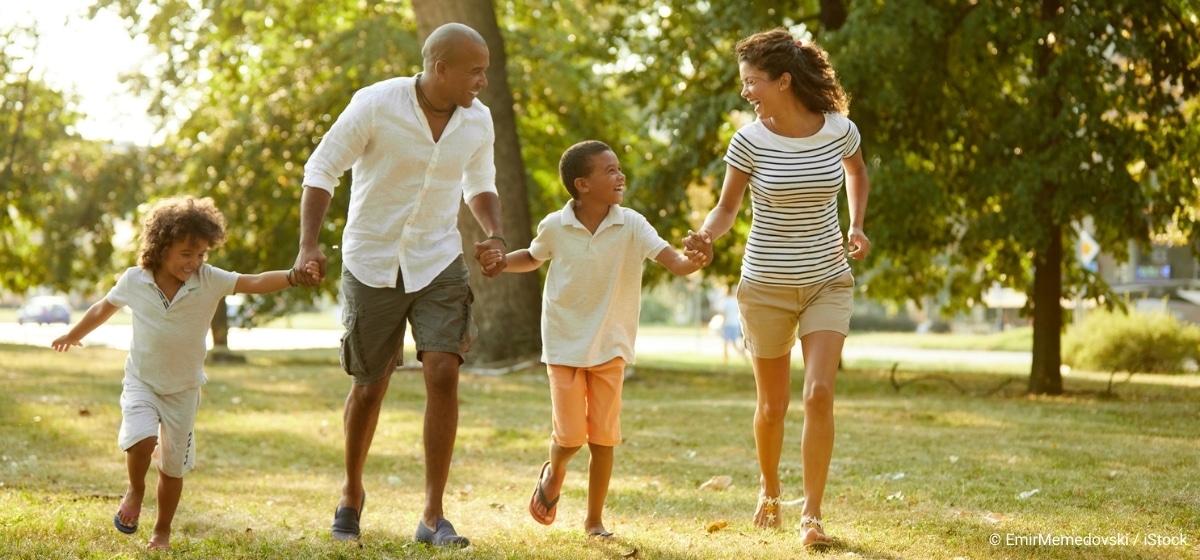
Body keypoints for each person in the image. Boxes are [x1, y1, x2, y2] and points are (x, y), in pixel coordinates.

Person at [292, 22, 507, 548]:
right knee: (369, 386)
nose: (483, 81)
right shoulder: (375, 103)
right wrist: (308, 244)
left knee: (442, 371)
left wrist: (495, 235)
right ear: (441, 68)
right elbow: (322, 169)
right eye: (475, 71)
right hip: (373, 261)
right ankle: (351, 492)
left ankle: (433, 514)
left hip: (438, 259)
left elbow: (480, 184)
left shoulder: (478, 121)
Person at [684, 28, 871, 549]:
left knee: (819, 393)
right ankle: (769, 490)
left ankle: (811, 515)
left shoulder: (839, 130)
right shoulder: (749, 140)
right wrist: (704, 236)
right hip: (765, 284)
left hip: (826, 280)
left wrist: (856, 224)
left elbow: (856, 172)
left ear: (783, 81)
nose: (745, 91)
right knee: (773, 406)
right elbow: (726, 208)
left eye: (753, 81)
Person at [50, 195, 315, 551]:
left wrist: (293, 276)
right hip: (142, 380)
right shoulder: (135, 280)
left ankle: (161, 531)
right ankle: (135, 489)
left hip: (184, 389)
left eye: (202, 254)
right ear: (160, 248)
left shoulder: (210, 280)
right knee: (142, 440)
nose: (194, 262)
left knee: (172, 469)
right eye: (186, 254)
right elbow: (103, 307)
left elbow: (253, 281)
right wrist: (74, 334)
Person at [478, 140, 708, 538]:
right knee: (569, 437)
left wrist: (698, 258)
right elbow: (533, 257)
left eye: (619, 169)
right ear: (582, 184)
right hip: (564, 342)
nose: (621, 176)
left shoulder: (633, 224)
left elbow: (675, 262)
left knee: (603, 438)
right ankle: (555, 470)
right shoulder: (555, 225)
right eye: (611, 170)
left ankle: (594, 520)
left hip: (610, 343)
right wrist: (501, 264)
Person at [716, 286, 746, 364]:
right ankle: (744, 357)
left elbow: (724, 316)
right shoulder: (735, 302)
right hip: (735, 324)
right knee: (734, 344)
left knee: (725, 343)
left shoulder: (725, 302)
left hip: (728, 324)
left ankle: (725, 361)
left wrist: (722, 326)